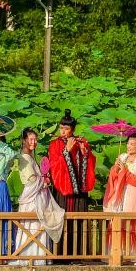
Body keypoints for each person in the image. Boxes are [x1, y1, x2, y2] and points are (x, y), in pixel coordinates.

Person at [10, 128, 65, 266]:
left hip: (37, 196)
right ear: (24, 140)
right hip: (32, 198)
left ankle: (35, 256)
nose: (34, 142)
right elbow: (31, 180)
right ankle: (31, 256)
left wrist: (43, 178)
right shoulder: (24, 157)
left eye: (35, 139)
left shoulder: (30, 156)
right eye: (31, 139)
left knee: (36, 226)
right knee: (33, 226)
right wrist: (43, 180)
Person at [47, 109, 96, 257]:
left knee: (79, 221)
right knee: (62, 220)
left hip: (79, 191)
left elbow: (91, 163)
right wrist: (66, 151)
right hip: (62, 189)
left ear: (73, 129)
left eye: (66, 129)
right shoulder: (54, 145)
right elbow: (54, 166)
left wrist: (85, 152)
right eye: (61, 128)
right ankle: (60, 255)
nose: (63, 131)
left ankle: (78, 255)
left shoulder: (81, 142)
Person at [103, 132, 136, 264]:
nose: (129, 146)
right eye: (128, 143)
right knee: (118, 223)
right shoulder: (122, 157)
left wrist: (125, 171)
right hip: (120, 192)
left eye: (132, 144)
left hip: (133, 193)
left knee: (132, 223)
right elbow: (113, 176)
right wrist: (115, 169)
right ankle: (118, 254)